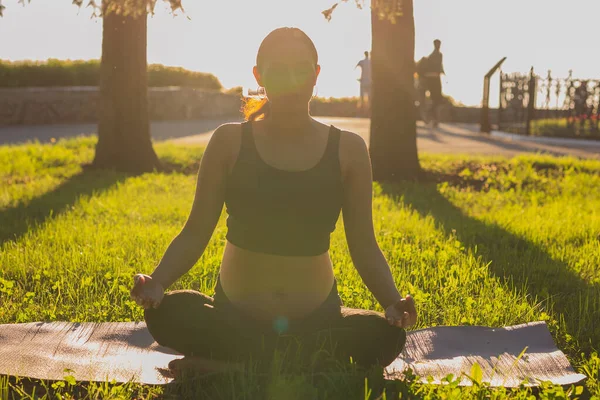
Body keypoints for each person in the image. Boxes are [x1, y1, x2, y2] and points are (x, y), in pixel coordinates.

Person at [130, 27, 417, 375]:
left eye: (300, 68)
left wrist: (392, 302)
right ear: (259, 75)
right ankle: (299, 366)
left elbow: (364, 244)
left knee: (383, 337)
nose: (291, 79)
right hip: (233, 318)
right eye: (278, 70)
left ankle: (233, 368)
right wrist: (158, 282)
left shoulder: (349, 150)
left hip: (315, 320)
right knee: (167, 314)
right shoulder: (229, 142)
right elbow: (195, 231)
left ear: (315, 75)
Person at [420, 39, 445, 126]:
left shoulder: (432, 56)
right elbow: (438, 66)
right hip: (434, 80)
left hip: (432, 79)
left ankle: (431, 118)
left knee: (436, 100)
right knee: (436, 100)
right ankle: (431, 117)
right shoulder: (436, 55)